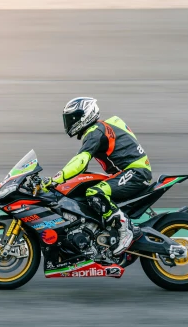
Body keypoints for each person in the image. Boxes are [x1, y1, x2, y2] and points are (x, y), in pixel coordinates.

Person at [43, 97, 152, 255]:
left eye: (73, 118)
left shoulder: (95, 131)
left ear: (85, 114)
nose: (70, 122)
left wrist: (56, 179)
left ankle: (125, 229)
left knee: (94, 193)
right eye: (69, 119)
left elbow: (80, 161)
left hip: (135, 173)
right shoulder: (101, 128)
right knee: (89, 184)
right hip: (129, 172)